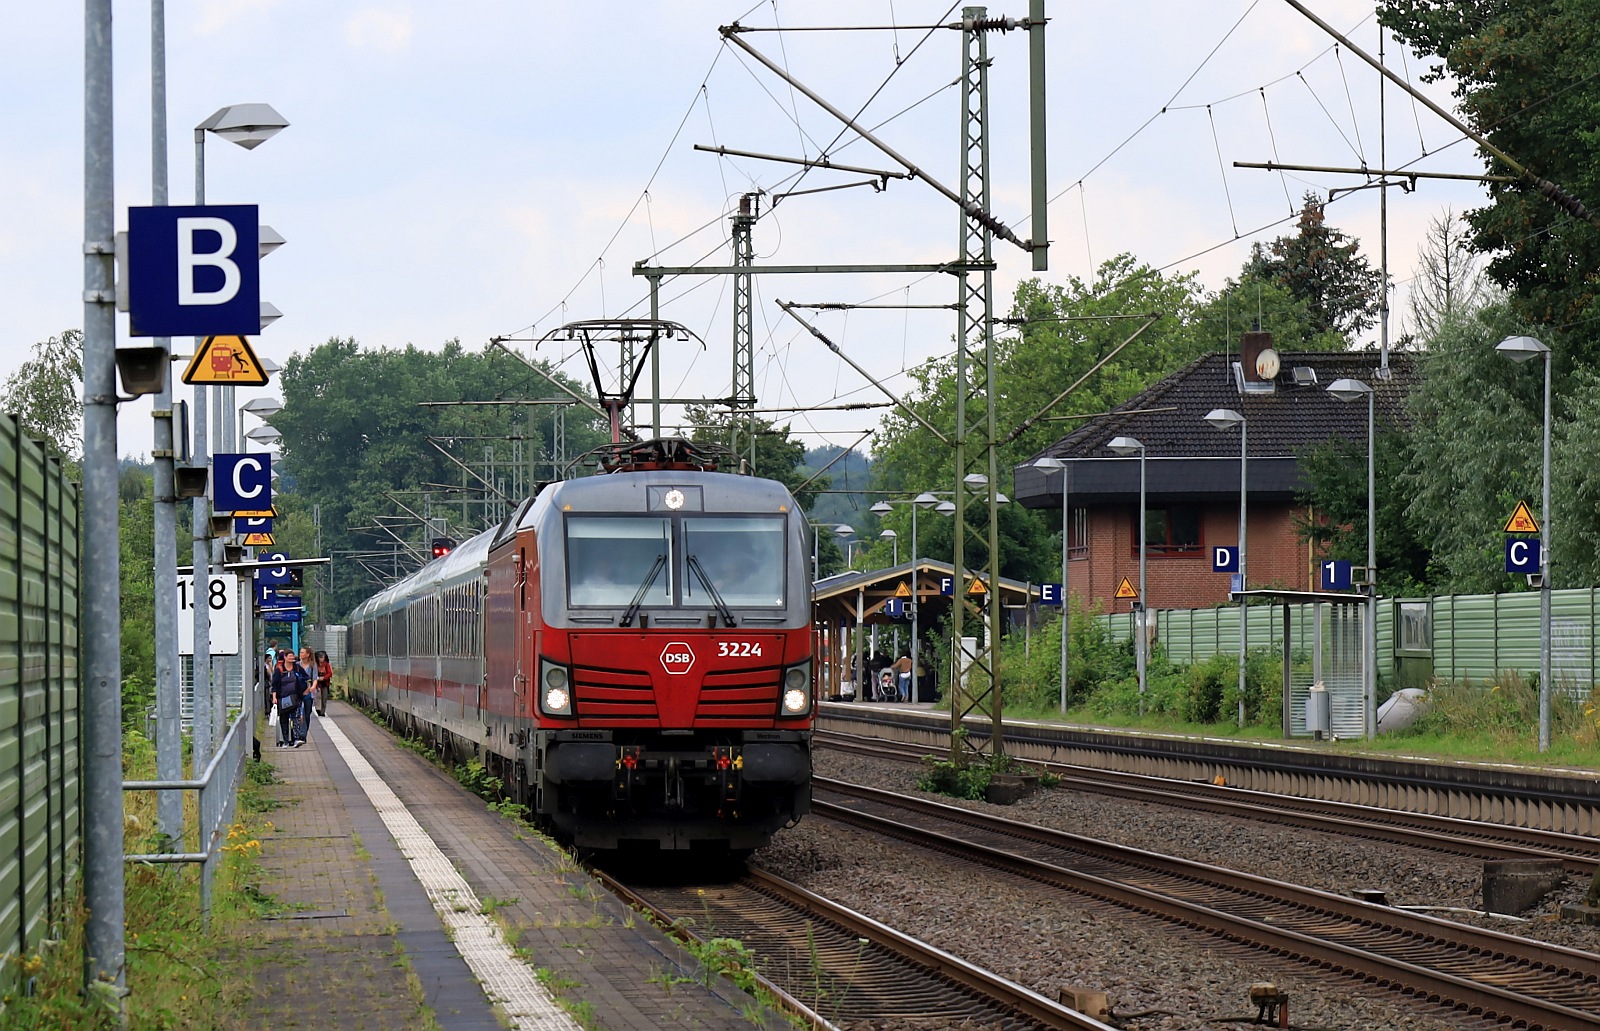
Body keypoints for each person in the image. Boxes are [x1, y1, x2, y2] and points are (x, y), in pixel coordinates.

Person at [270, 651, 301, 747]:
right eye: (290, 657)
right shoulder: (279, 669)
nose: (292, 658)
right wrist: (274, 697)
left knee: (296, 718)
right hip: (282, 698)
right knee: (284, 719)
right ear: (285, 657)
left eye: (293, 657)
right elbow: (275, 684)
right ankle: (285, 740)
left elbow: (304, 678)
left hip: (295, 697)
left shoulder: (297, 668)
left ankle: (296, 739)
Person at [314, 650, 334, 716]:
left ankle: (322, 711)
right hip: (317, 683)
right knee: (318, 697)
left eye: (322, 657)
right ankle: (318, 709)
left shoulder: (326, 664)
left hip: (325, 683)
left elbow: (330, 673)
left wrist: (324, 677)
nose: (321, 659)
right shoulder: (315, 665)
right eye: (320, 657)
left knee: (324, 697)